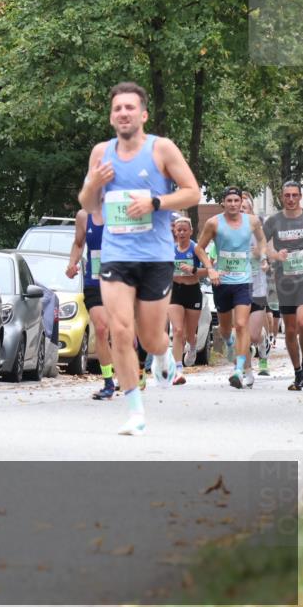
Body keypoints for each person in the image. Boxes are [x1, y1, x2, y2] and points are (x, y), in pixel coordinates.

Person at [78, 82, 200, 436]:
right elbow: (88, 205)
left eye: (130, 108)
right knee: (119, 330)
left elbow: (191, 191)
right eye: (118, 109)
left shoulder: (161, 149)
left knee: (150, 338)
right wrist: (93, 183)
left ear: (142, 114)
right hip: (116, 255)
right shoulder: (101, 153)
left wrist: (155, 203)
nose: (124, 113)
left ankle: (163, 355)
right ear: (111, 116)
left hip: (155, 256)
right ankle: (134, 411)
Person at [195, 186, 267, 389]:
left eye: (237, 200)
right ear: (223, 203)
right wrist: (210, 269)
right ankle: (230, 345)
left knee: (242, 324)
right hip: (221, 282)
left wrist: (261, 256)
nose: (234, 204)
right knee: (226, 330)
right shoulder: (213, 222)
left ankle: (239, 369)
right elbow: (199, 248)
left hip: (244, 281)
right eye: (230, 201)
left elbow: (262, 241)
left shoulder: (252, 222)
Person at [264, 180, 303, 390]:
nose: (291, 199)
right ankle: (297, 373)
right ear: (281, 196)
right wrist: (275, 254)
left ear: (300, 196)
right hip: (284, 281)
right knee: (290, 329)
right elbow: (262, 244)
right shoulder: (274, 221)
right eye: (287, 195)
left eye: (295, 195)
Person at [66, 208, 116, 400]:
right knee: (102, 330)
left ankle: (135, 368)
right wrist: (72, 263)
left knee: (121, 333)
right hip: (94, 281)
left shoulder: (121, 210)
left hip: (120, 281)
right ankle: (108, 382)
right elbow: (79, 244)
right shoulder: (83, 216)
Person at [169, 215, 207, 384]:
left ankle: (192, 347)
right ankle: (177, 370)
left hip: (192, 291)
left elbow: (208, 270)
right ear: (175, 232)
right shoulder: (170, 249)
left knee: (189, 333)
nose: (182, 233)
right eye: (179, 230)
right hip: (175, 291)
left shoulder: (196, 249)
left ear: (191, 231)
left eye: (185, 230)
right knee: (177, 330)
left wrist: (193, 270)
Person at [242, 194, 271, 380]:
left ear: (250, 209)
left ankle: (262, 340)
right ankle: (246, 370)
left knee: (252, 335)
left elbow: (267, 252)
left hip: (257, 286)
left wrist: (262, 258)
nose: (241, 210)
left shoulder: (258, 229)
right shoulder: (228, 229)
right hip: (237, 284)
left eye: (244, 207)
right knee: (240, 328)